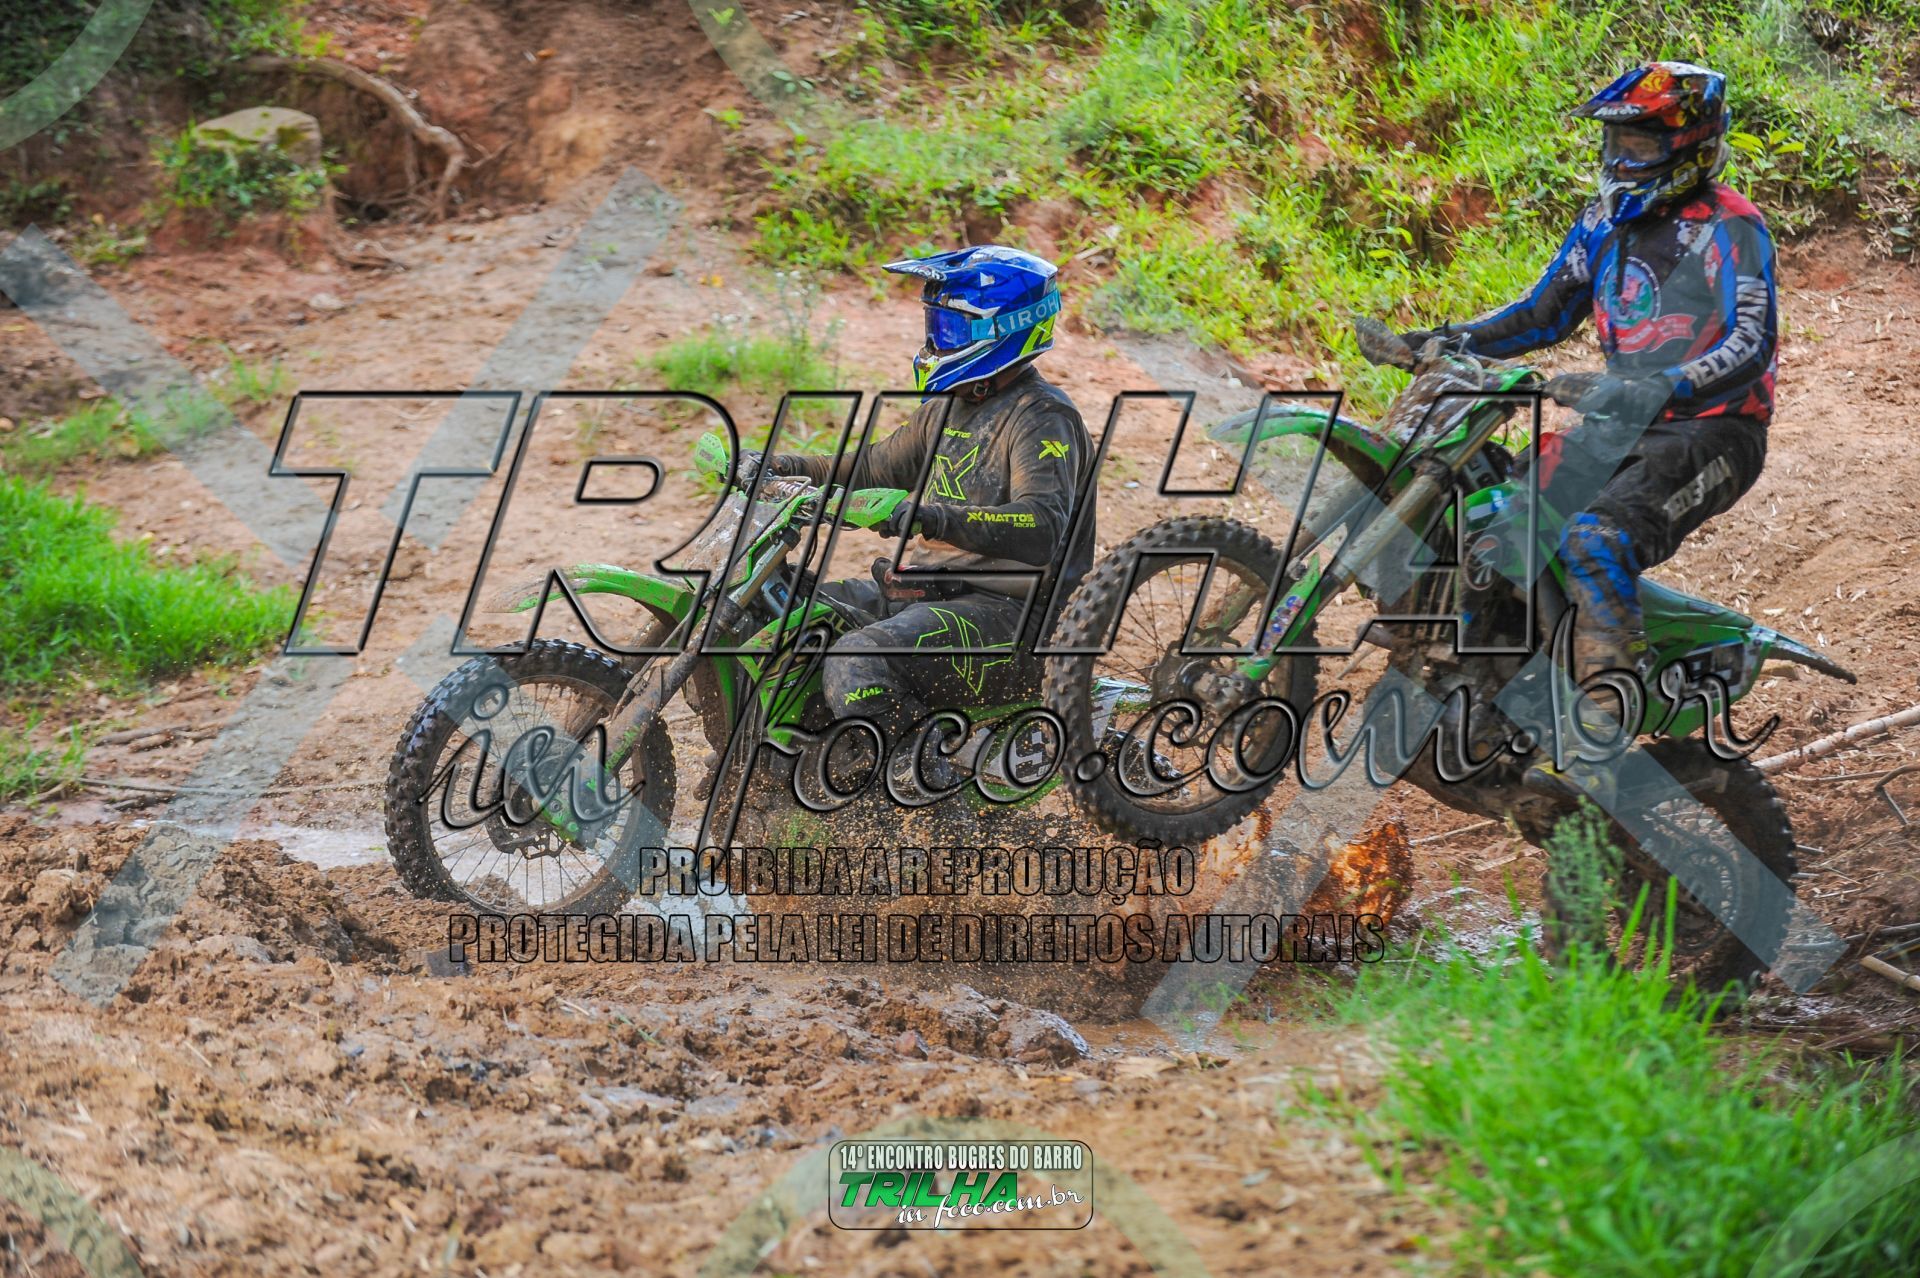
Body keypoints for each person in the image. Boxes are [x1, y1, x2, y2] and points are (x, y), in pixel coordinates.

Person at [1399, 62, 1777, 687]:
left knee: (1594, 539)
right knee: (1498, 526)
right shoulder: (1603, 224)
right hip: (1619, 423)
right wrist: (1439, 340)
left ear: (1691, 145)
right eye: (1616, 142)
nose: (1623, 158)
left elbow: (1751, 342)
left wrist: (1658, 385)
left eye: (1641, 145)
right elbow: (1539, 315)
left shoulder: (1729, 225)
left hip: (1713, 430)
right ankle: (1485, 683)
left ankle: (1607, 700)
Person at [739, 245, 1094, 789]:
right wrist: (781, 466)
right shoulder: (949, 408)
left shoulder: (1043, 418)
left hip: (1014, 618)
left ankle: (927, 799)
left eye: (950, 329)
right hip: (929, 593)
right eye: (935, 327)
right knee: (783, 623)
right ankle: (780, 776)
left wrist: (929, 517)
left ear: (1004, 330)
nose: (936, 342)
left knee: (857, 661)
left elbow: (1042, 526)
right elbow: (870, 466)